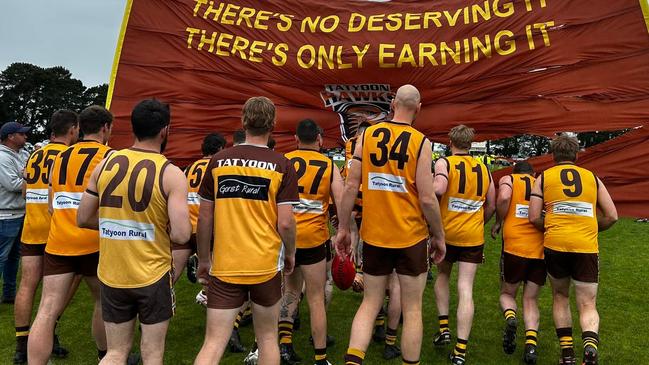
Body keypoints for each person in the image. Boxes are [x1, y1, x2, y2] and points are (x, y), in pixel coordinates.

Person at [336, 85, 446, 365]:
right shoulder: (421, 142)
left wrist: (344, 228)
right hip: (410, 237)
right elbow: (428, 199)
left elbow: (350, 185)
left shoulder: (368, 135)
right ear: (418, 109)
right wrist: (439, 236)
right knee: (412, 310)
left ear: (394, 103)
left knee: (369, 303)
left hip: (374, 235)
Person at [77, 99, 191, 364]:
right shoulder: (171, 173)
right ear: (165, 130)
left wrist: (116, 224)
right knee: (152, 353)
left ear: (133, 127)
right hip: (152, 273)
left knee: (115, 352)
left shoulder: (106, 162)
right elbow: (182, 235)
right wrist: (150, 228)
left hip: (112, 272)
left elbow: (83, 218)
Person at [194, 96, 299, 365]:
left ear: (243, 121)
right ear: (273, 124)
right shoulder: (282, 164)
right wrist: (291, 254)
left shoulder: (218, 161)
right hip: (264, 264)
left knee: (214, 342)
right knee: (267, 339)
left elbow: (205, 216)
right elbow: (286, 222)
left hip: (226, 264)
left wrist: (204, 258)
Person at [28, 105, 113, 365]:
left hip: (59, 241)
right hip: (93, 241)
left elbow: (53, 206)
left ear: (80, 128)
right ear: (105, 128)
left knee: (47, 308)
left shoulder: (59, 157)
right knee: (101, 302)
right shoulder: (110, 157)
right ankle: (105, 356)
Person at [529, 135, 617, 365]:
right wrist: (591, 230)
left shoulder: (544, 177)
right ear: (577, 155)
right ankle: (589, 345)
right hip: (585, 245)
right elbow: (612, 216)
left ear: (553, 155)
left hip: (556, 244)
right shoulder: (592, 178)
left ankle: (567, 354)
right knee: (588, 304)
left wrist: (550, 226)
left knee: (560, 296)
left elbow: (533, 217)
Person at [14, 111, 79, 364]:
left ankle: (21, 347)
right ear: (72, 130)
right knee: (66, 283)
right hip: (56, 230)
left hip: (31, 227)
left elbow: (23, 190)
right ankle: (48, 332)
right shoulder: (67, 155)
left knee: (28, 284)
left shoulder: (34, 155)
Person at [280, 119, 343, 365]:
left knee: (291, 291)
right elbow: (340, 199)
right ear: (319, 139)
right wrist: (344, 229)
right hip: (315, 238)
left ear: (296, 139)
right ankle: (320, 357)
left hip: (287, 237)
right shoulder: (328, 164)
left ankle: (285, 346)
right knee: (316, 297)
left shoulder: (283, 160)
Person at [433, 124, 496, 365]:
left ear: (451, 142)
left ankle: (444, 326)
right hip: (472, 236)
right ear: (470, 144)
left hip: (447, 234)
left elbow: (437, 192)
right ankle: (460, 350)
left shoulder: (444, 163)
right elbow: (490, 203)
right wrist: (480, 222)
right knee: (466, 288)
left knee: (442, 276)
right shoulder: (483, 168)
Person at [491, 161, 545, 364]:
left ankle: (511, 317)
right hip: (539, 248)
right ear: (533, 173)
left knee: (507, 293)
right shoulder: (541, 182)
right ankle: (531, 344)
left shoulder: (509, 179)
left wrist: (498, 220)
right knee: (531, 299)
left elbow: (504, 196)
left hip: (514, 245)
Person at [176, 132, 226, 284]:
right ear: (220, 148)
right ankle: (207, 297)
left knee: (170, 275)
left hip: (186, 228)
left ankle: (157, 304)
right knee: (212, 278)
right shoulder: (219, 167)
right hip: (208, 230)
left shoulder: (189, 168)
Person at [0, 122, 30, 305]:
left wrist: (27, 176)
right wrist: (29, 177)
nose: (25, 137)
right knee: (2, 258)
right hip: (5, 216)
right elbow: (12, 185)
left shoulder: (21, 154)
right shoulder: (2, 157)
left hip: (19, 213)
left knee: (13, 258)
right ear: (11, 136)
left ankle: (9, 294)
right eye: (22, 134)